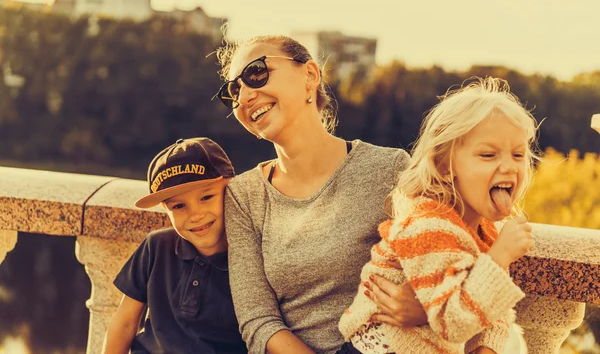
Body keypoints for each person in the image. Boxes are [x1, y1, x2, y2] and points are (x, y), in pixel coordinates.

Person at [213, 35, 425, 354]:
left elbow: (442, 259)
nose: (244, 97)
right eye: (234, 90)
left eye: (255, 73)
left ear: (310, 76)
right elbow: (258, 320)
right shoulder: (244, 196)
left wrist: (421, 305)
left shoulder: (389, 168)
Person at [338, 77, 537, 354]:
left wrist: (487, 347)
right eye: (488, 155)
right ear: (445, 166)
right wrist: (499, 256)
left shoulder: (487, 231)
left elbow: (493, 304)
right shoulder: (427, 225)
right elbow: (452, 323)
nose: (508, 166)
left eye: (518, 155)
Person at [101, 137, 247, 354]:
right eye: (179, 206)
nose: (195, 215)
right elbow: (124, 323)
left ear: (232, 188)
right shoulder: (157, 246)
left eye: (206, 197)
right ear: (165, 209)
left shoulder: (250, 257)